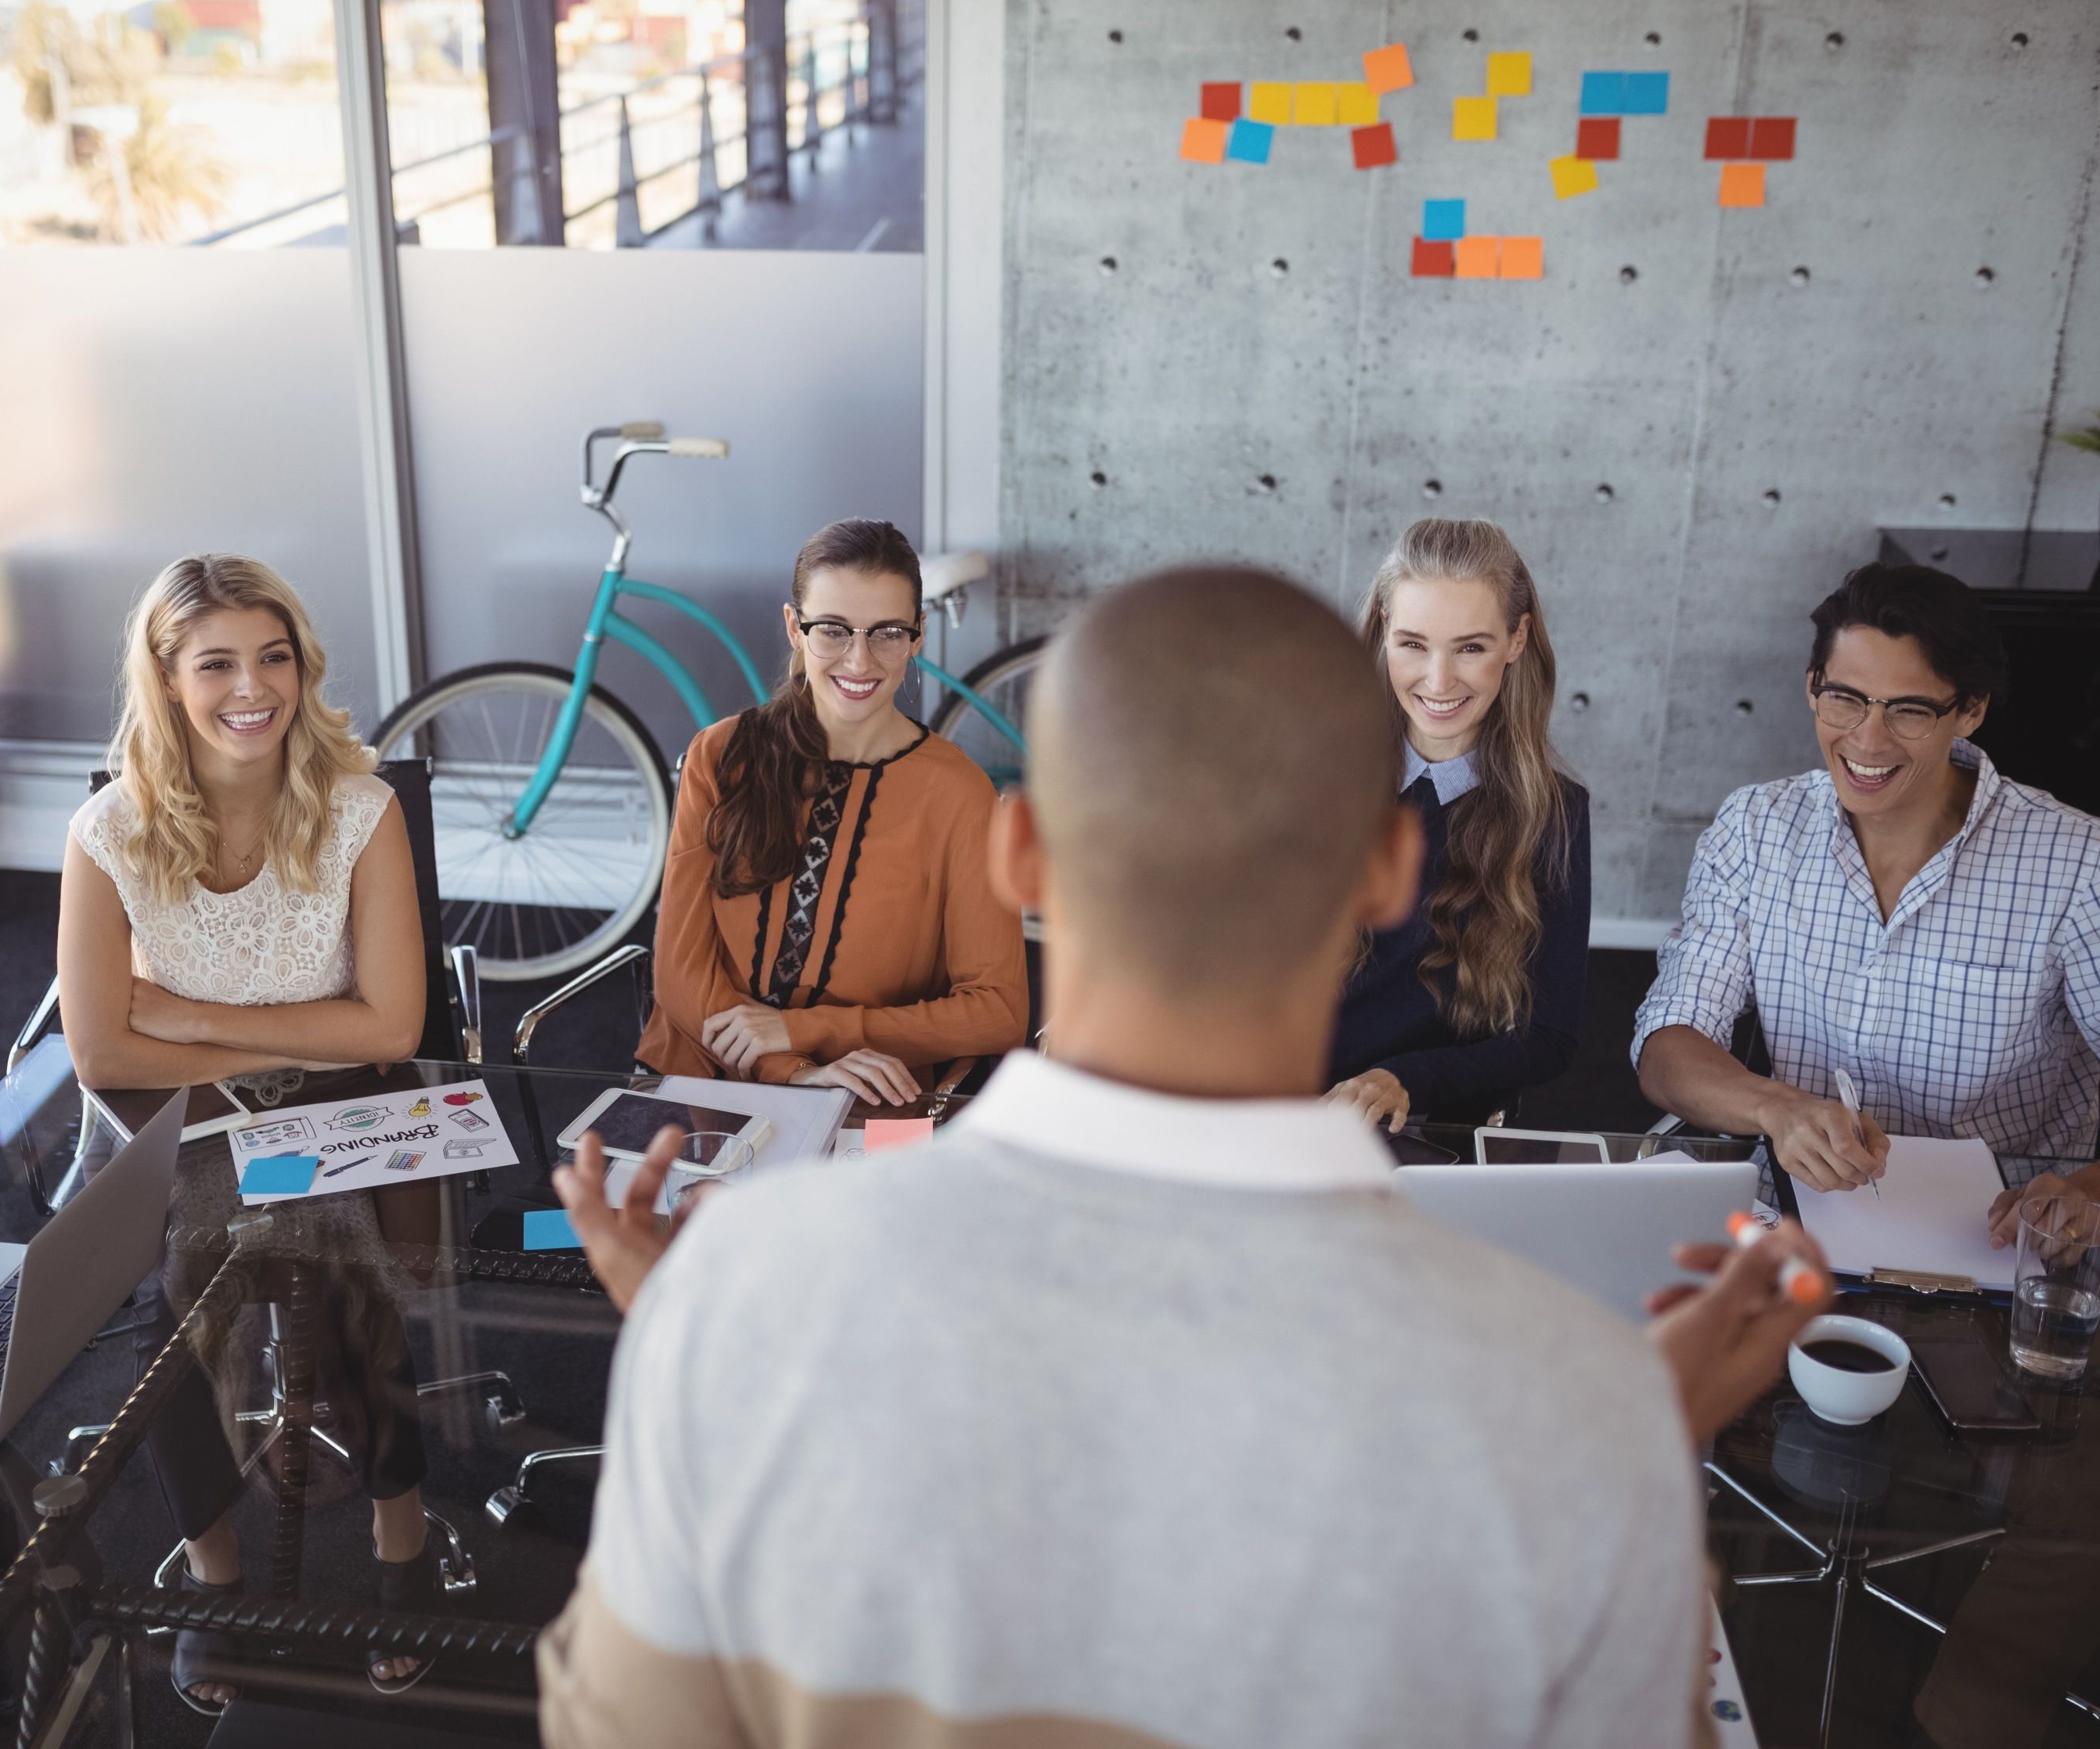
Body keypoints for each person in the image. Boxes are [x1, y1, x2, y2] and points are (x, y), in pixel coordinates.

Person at [539, 566, 1828, 1748]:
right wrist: (1623, 1463)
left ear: (1022, 852)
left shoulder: (729, 1293)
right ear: (1388, 870)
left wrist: (707, 1353)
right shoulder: (1587, 1416)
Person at [56, 553, 434, 1700]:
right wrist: (280, 1037)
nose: (252, 687)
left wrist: (191, 1016)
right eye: (216, 662)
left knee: (343, 1256)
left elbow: (394, 1026)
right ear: (168, 679)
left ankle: (401, 1535)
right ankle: (214, 1569)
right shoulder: (106, 832)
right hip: (166, 1113)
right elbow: (102, 1053)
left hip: (331, 1103)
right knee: (170, 1286)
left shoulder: (360, 808)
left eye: (274, 657)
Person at [1636, 563, 2100, 1204]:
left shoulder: (2078, 863)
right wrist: (1778, 1109)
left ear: (1969, 711)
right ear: (1812, 688)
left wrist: (2087, 1193)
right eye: (1845, 698)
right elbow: (1668, 1045)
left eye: (1909, 710)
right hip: (1798, 1217)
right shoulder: (1755, 827)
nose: (1867, 739)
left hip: (1999, 1238)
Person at [636, 519, 1027, 1104]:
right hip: (696, 1078)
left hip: (861, 1100)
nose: (860, 660)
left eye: (888, 632)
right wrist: (793, 1068)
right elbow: (679, 974)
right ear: (795, 627)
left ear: (919, 635)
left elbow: (997, 1013)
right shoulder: (719, 754)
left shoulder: (959, 794)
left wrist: (804, 1031)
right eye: (834, 630)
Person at [1327, 517, 1590, 1129]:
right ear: (1383, 633)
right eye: (1413, 644)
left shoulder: (1554, 815)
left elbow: (1549, 1039)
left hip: (1427, 1132)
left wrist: (1405, 1080)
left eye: (1471, 647)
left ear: (1517, 641)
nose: (1439, 682)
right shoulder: (1310, 778)